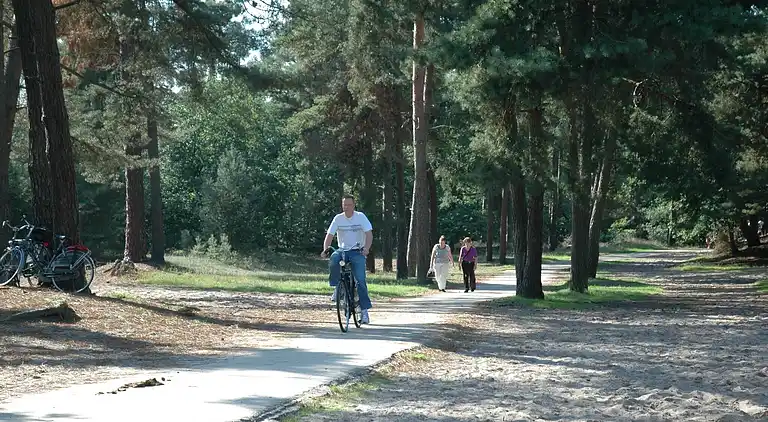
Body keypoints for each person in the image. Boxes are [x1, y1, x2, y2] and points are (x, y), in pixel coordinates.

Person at [320, 195, 373, 324]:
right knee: (334, 258)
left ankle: (364, 311)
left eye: (349, 204)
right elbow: (329, 235)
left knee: (360, 280)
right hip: (342, 250)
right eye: (344, 205)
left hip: (357, 250)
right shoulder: (338, 219)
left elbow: (369, 234)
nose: (346, 207)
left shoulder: (360, 217)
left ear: (354, 205)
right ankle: (337, 287)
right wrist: (326, 249)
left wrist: (366, 248)